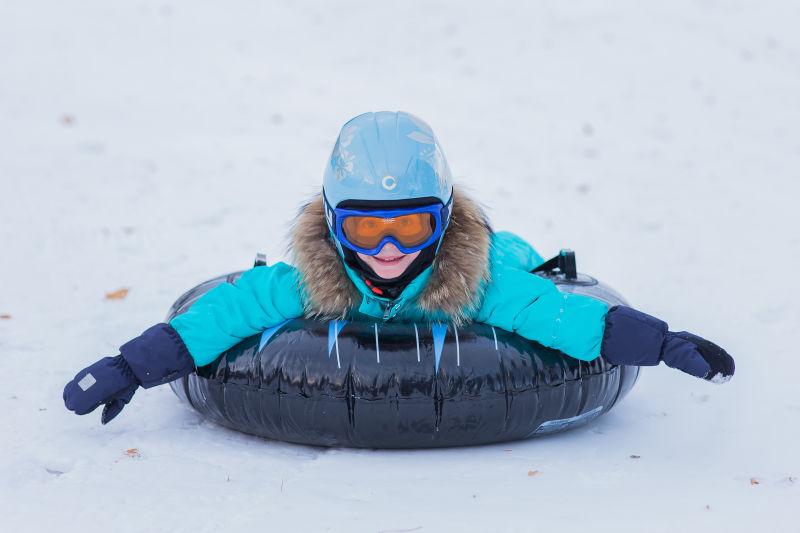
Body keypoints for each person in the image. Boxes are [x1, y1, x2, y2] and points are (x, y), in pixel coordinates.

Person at [64, 111, 735, 424]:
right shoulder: (310, 280)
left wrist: (664, 341)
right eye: (366, 225)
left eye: (410, 225)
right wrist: (131, 365)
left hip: (504, 261)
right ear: (333, 225)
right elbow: (225, 313)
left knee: (514, 259)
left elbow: (563, 316)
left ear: (440, 221)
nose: (389, 247)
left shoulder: (475, 282)